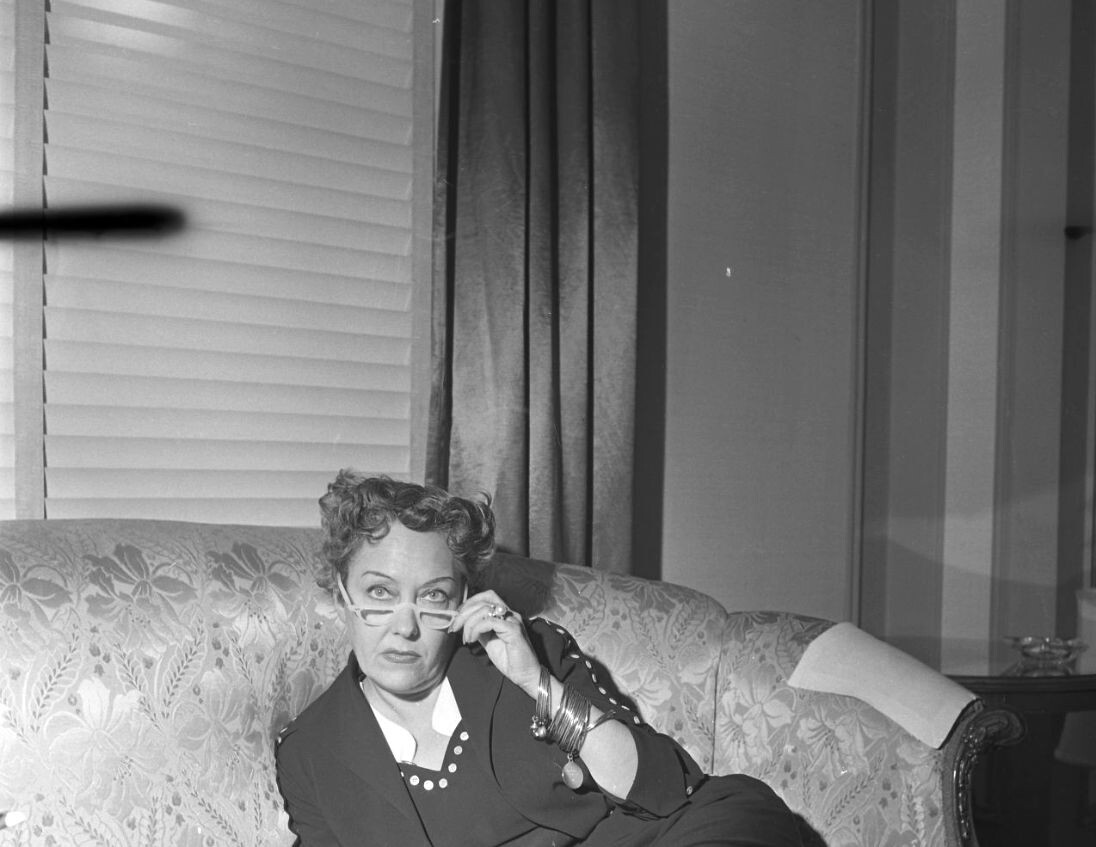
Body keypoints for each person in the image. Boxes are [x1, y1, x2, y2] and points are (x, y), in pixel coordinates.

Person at [276, 471, 805, 847]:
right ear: (340, 593)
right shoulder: (311, 752)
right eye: (379, 592)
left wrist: (534, 682)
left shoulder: (527, 651)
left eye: (433, 596)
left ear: (463, 601)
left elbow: (665, 789)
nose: (406, 625)